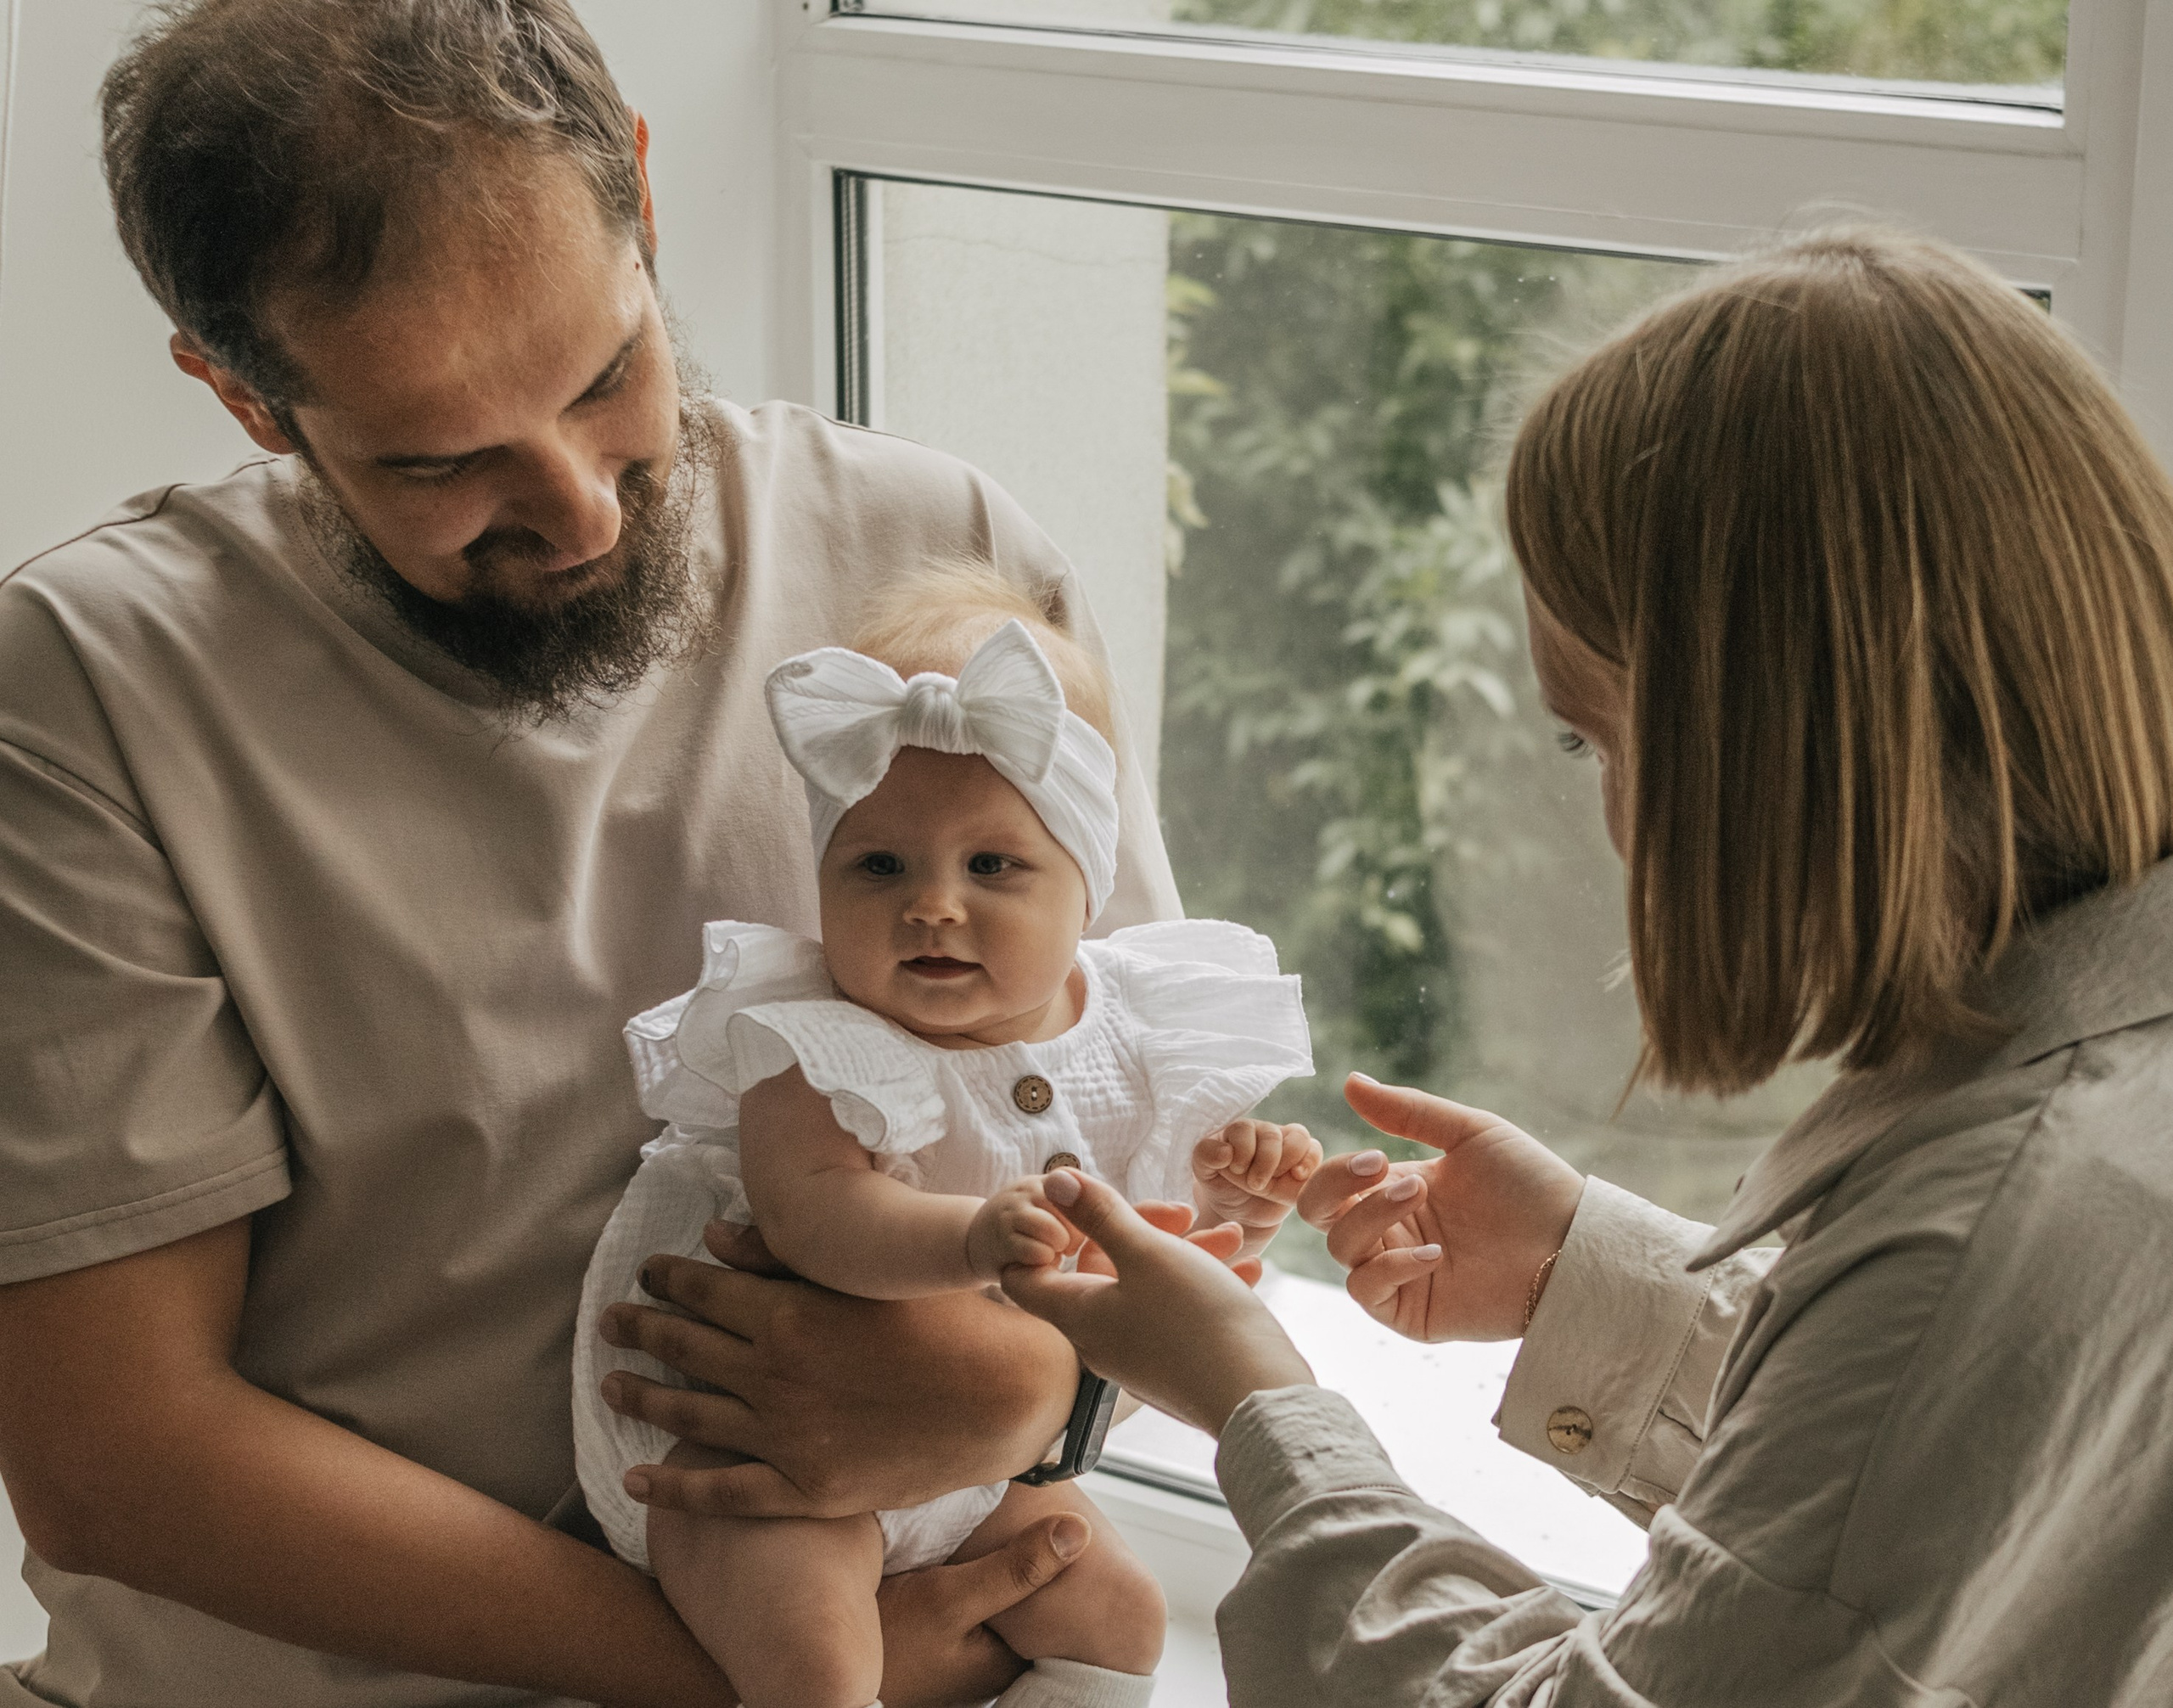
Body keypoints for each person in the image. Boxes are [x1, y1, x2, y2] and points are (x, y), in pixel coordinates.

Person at [0, 4, 1302, 1705]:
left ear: (639, 186)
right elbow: (118, 1459)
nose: (583, 507)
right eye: (443, 461)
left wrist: (1024, 1396)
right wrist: (766, 1672)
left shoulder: (940, 559)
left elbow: (1125, 1150)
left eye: (607, 374)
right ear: (244, 392)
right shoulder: (84, 695)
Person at [991, 228, 2173, 1705]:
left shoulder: (1977, 1226)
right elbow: (1900, 1520)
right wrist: (1586, 1283)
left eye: (1592, 737)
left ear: (1755, 747)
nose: (1612, 819)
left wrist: (1258, 1403)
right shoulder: (2096, 1102)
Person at [575, 573, 1318, 1708]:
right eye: (879, 866)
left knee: (1123, 1615)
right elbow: (814, 1216)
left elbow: (1147, 1257)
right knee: (819, 1663)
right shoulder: (813, 1037)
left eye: (990, 866)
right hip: (748, 1448)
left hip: (977, 1463)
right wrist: (969, 1239)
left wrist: (1231, 1210)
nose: (931, 906)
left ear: (1085, 883)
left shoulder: (1140, 1036)